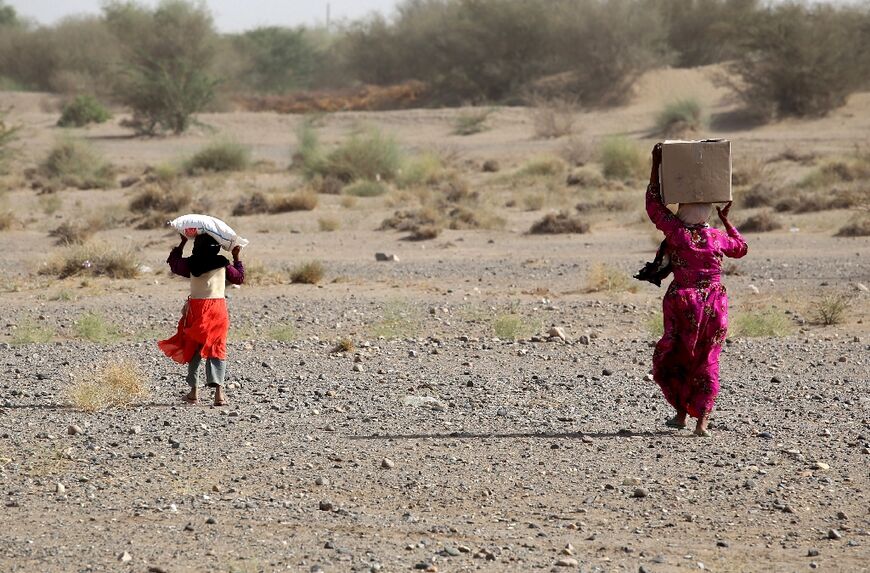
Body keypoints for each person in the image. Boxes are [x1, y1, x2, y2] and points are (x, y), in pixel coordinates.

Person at [645, 142, 748, 437]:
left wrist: (657, 164)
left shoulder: (677, 232)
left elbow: (653, 203)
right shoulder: (716, 237)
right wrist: (727, 220)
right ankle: (701, 421)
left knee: (676, 354)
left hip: (683, 300)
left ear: (682, 211)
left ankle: (680, 413)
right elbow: (741, 248)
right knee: (708, 358)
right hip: (715, 303)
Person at [158, 233, 245, 406]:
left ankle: (194, 393)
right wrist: (236, 257)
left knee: (194, 347)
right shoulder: (223, 263)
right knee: (217, 347)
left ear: (196, 246)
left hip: (196, 309)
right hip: (217, 308)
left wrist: (182, 243)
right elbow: (239, 278)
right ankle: (219, 394)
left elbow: (174, 264)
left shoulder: (191, 263)